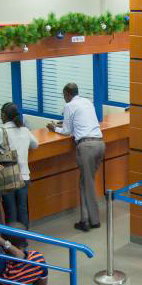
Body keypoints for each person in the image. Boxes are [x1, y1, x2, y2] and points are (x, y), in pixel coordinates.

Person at [47, 83, 104, 232]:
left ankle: (93, 221)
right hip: (100, 145)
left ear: (67, 93)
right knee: (85, 183)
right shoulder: (87, 101)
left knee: (87, 183)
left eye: (63, 95)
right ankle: (85, 219)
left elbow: (66, 131)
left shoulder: (69, 106)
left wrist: (54, 128)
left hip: (86, 147)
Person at [0, 103, 38, 229]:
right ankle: (24, 241)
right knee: (22, 209)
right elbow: (35, 145)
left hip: (9, 178)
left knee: (10, 211)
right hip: (24, 177)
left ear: (3, 115)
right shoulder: (24, 129)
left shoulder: (2, 131)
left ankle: (13, 242)